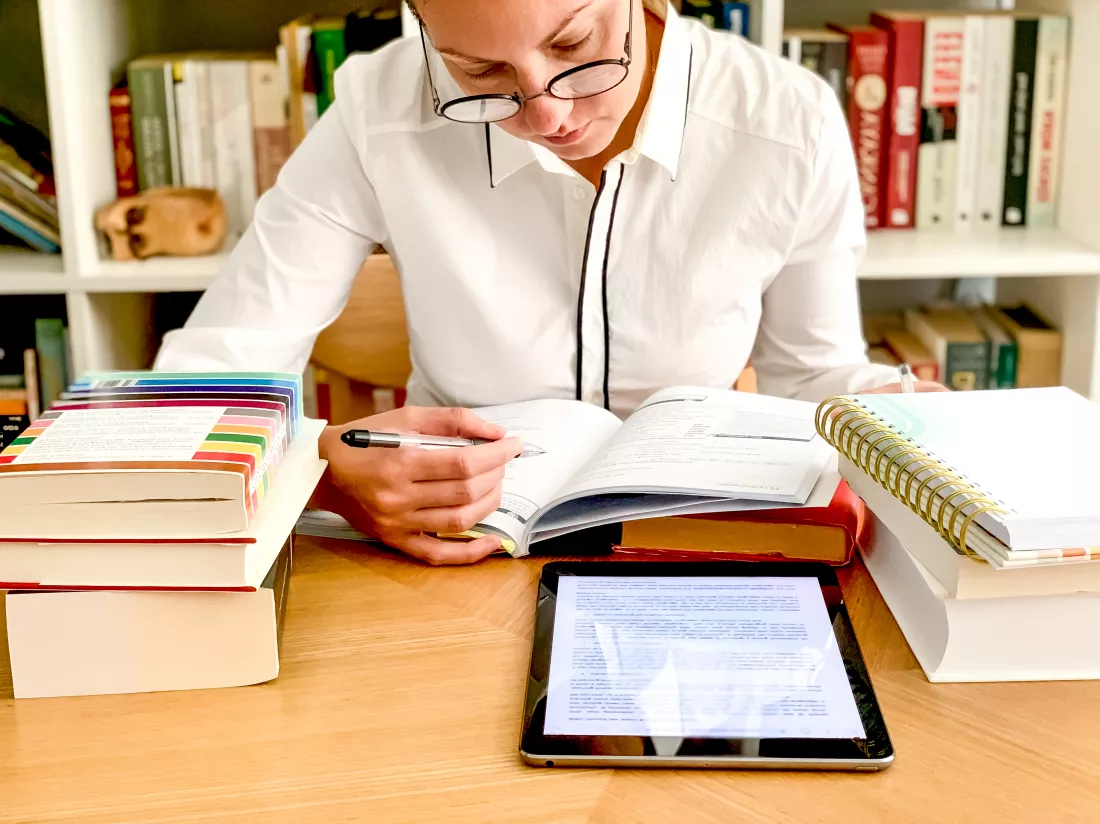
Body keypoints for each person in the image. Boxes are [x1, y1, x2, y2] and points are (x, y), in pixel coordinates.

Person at [155, 0, 943, 565]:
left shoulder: (788, 121)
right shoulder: (378, 109)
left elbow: (813, 375)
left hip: (699, 549)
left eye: (575, 45)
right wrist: (321, 469)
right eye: (479, 69)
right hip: (446, 558)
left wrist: (911, 415)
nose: (547, 113)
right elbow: (204, 388)